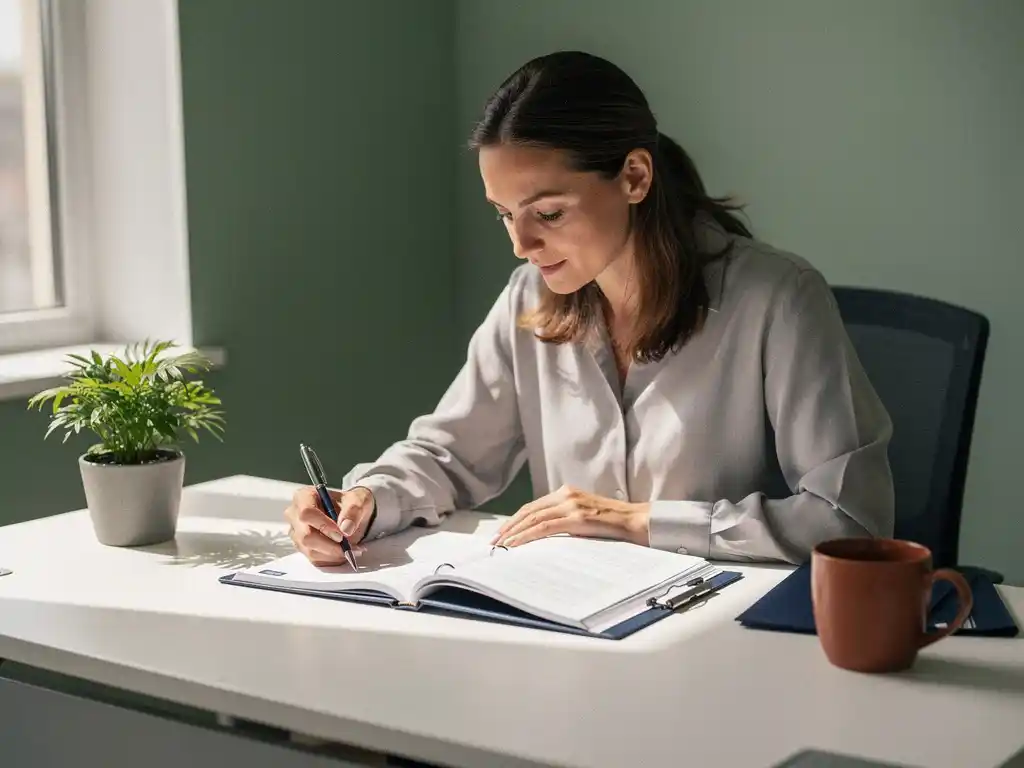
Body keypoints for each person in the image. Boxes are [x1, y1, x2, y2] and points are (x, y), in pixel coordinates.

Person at [285, 50, 894, 567]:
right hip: (580, 627)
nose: (521, 245)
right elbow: (451, 456)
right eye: (504, 214)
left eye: (548, 213)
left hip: (724, 639)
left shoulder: (778, 298)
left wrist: (639, 521)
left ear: (633, 176)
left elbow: (849, 521)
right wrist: (367, 498)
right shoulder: (530, 295)